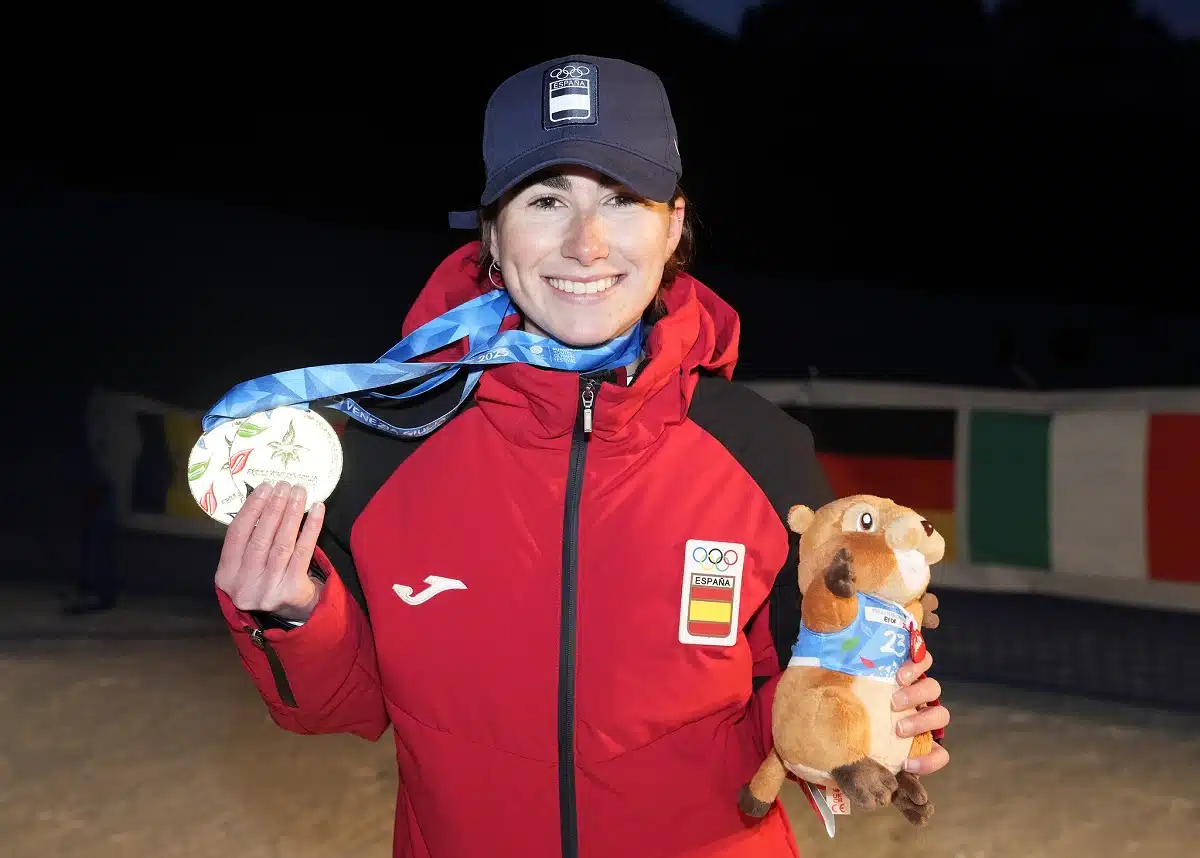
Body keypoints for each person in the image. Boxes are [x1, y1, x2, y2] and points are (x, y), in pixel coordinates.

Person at [212, 55, 950, 858]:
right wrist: (292, 613)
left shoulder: (758, 452)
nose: (587, 244)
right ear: (492, 235)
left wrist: (867, 715)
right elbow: (340, 707)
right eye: (546, 199)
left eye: (622, 199)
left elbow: (802, 697)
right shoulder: (393, 448)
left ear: (673, 226)